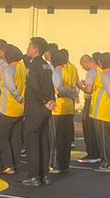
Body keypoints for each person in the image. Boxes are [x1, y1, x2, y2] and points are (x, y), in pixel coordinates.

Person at [19, 37, 55, 187]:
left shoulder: (33, 65)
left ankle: (34, 176)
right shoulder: (46, 65)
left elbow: (34, 85)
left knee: (32, 141)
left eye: (29, 46)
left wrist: (43, 101)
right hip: (45, 108)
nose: (27, 49)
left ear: (35, 50)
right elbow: (51, 85)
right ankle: (44, 175)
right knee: (43, 141)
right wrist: (51, 100)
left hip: (35, 107)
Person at [0, 44, 26, 175]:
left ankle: (8, 164)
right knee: (15, 138)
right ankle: (14, 163)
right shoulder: (22, 67)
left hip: (9, 107)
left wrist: (18, 97)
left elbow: (10, 86)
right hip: (20, 109)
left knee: (1, 135)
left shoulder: (8, 69)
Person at [89, 53, 110, 172]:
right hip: (108, 110)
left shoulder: (105, 74)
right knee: (107, 138)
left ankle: (107, 164)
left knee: (103, 138)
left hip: (102, 110)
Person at [50, 47, 78, 176]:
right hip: (69, 105)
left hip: (59, 106)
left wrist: (67, 91)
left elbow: (59, 88)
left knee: (56, 138)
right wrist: (72, 92)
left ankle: (56, 164)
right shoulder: (68, 71)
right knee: (66, 138)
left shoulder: (57, 71)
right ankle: (65, 164)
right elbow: (73, 88)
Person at [75, 53, 100, 167]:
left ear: (87, 62)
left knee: (88, 127)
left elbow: (89, 90)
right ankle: (97, 152)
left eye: (83, 65)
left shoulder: (90, 72)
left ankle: (92, 153)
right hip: (97, 101)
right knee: (95, 129)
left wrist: (80, 86)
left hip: (90, 101)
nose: (83, 67)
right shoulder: (100, 70)